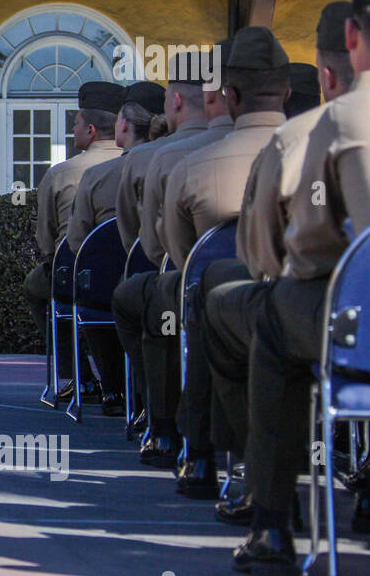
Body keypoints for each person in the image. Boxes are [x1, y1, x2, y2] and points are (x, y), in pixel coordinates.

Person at [231, 0, 370, 576]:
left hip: (355, 320)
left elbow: (300, 249)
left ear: (351, 40)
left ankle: (271, 521)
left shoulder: (336, 122)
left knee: (272, 321)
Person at [204, 2, 358, 530]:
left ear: (329, 72)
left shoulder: (301, 138)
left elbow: (262, 257)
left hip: (336, 317)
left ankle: (270, 515)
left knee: (258, 318)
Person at [161, 27, 290, 498]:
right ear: (289, 91)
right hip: (347, 323)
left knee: (208, 294)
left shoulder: (191, 166)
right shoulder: (319, 145)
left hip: (273, 315)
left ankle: (207, 459)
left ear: (228, 96)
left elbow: (178, 256)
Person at [112, 47, 234, 467]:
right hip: (267, 285)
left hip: (189, 284)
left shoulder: (163, 156)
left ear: (177, 101)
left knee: (143, 304)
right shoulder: (281, 146)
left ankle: (161, 423)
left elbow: (148, 244)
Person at [65, 81, 165, 413]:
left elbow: (77, 241)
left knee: (96, 285)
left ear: (123, 124)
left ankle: (111, 387)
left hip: (112, 285)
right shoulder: (180, 162)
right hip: (170, 277)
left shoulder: (97, 176)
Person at [22, 80, 124, 400]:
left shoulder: (61, 173)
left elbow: (47, 239)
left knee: (37, 288)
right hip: (136, 268)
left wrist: (55, 259)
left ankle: (73, 375)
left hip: (79, 274)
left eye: (75, 124)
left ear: (91, 130)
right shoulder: (143, 162)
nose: (72, 130)